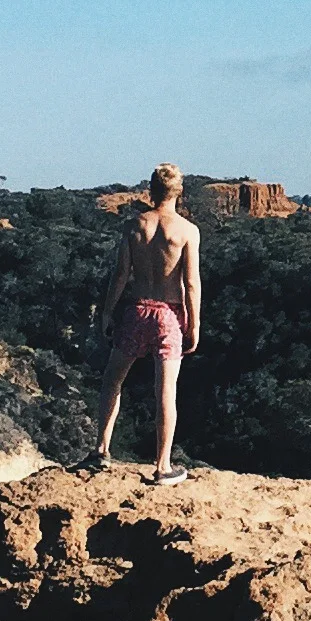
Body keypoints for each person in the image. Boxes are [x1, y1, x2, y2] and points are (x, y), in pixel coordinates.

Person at [86, 163, 202, 484]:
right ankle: (162, 466)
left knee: (113, 381)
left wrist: (108, 311)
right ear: (179, 192)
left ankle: (100, 451)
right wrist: (194, 323)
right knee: (165, 389)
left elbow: (120, 274)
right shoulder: (187, 231)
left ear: (151, 190)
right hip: (169, 316)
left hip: (136, 311)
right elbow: (191, 282)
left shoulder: (135, 226)